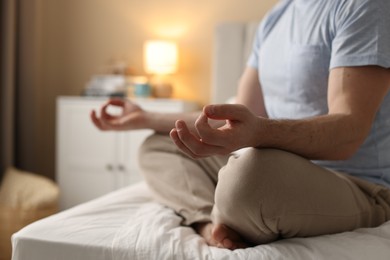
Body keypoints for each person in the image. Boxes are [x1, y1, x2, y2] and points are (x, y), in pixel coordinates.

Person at [91, 0, 390, 250]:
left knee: (250, 177)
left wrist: (259, 132)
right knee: (158, 145)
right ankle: (208, 223)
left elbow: (349, 132)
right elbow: (234, 117)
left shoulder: (363, 6)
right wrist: (145, 118)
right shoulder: (276, 18)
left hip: (356, 183)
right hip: (281, 164)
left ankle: (231, 207)